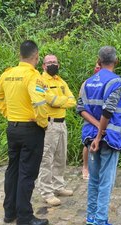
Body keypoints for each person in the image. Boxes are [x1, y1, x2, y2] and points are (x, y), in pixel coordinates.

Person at [0, 40, 49, 225]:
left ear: (19, 55)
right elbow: (39, 102)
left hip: (12, 128)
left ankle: (10, 212)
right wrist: (42, 122)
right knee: (27, 173)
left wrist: (8, 113)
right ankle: (24, 216)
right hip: (31, 130)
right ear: (36, 57)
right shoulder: (34, 76)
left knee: (13, 170)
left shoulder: (7, 74)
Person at [77, 46, 121, 225]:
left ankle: (91, 217)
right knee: (106, 180)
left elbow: (81, 108)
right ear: (116, 60)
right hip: (108, 138)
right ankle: (101, 219)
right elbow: (108, 110)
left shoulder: (88, 82)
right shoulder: (115, 81)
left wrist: (96, 130)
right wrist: (100, 134)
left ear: (99, 60)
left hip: (90, 136)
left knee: (94, 179)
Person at [37, 54, 76, 206]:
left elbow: (72, 100)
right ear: (43, 66)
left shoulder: (61, 81)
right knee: (47, 159)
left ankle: (58, 187)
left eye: (55, 62)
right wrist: (62, 101)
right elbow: (47, 99)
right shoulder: (40, 80)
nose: (52, 64)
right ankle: (46, 192)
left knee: (61, 157)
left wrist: (59, 102)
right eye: (49, 62)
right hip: (49, 125)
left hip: (62, 124)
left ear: (58, 65)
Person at [82, 62, 101, 180]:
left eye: (100, 67)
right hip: (90, 119)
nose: (98, 69)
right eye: (96, 67)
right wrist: (96, 123)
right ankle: (85, 167)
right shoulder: (87, 83)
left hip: (104, 120)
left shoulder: (110, 82)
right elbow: (81, 105)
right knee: (87, 143)